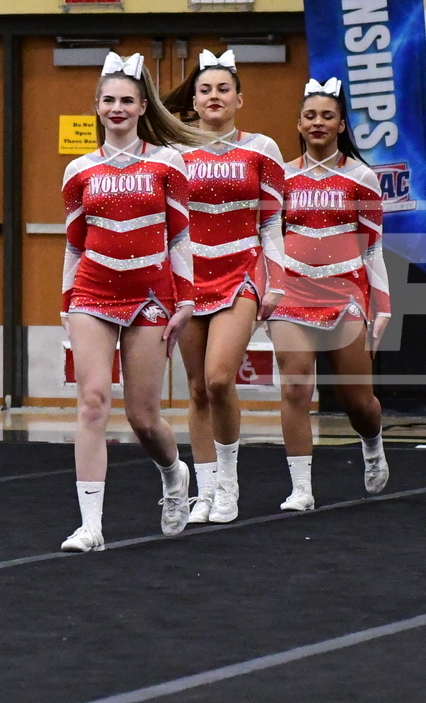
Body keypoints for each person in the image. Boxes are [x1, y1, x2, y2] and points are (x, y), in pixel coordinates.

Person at [59, 52, 209, 552]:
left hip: (150, 297)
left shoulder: (167, 162)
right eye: (108, 100)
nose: (117, 108)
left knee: (143, 417)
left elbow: (180, 237)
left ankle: (173, 473)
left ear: (143, 106)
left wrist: (185, 299)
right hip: (92, 292)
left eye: (127, 100)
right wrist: (66, 303)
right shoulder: (78, 170)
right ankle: (91, 526)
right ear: (97, 106)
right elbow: (74, 244)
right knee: (92, 401)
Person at [162, 49, 288, 524]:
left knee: (219, 378)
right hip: (189, 277)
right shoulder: (174, 153)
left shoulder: (262, 149)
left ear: (239, 99)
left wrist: (277, 281)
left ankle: (229, 482)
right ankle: (205, 489)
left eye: (223, 89)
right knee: (197, 389)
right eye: (205, 89)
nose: (214, 96)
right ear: (194, 100)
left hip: (241, 273)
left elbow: (272, 221)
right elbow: (167, 225)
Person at [268, 77, 391, 512]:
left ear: (341, 125)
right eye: (310, 116)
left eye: (327, 116)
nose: (317, 122)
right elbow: (270, 239)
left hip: (345, 295)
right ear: (299, 124)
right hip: (292, 292)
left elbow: (373, 248)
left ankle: (372, 443)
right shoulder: (281, 176)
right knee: (295, 387)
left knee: (357, 401)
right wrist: (269, 289)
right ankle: (301, 487)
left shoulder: (361, 177)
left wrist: (382, 306)